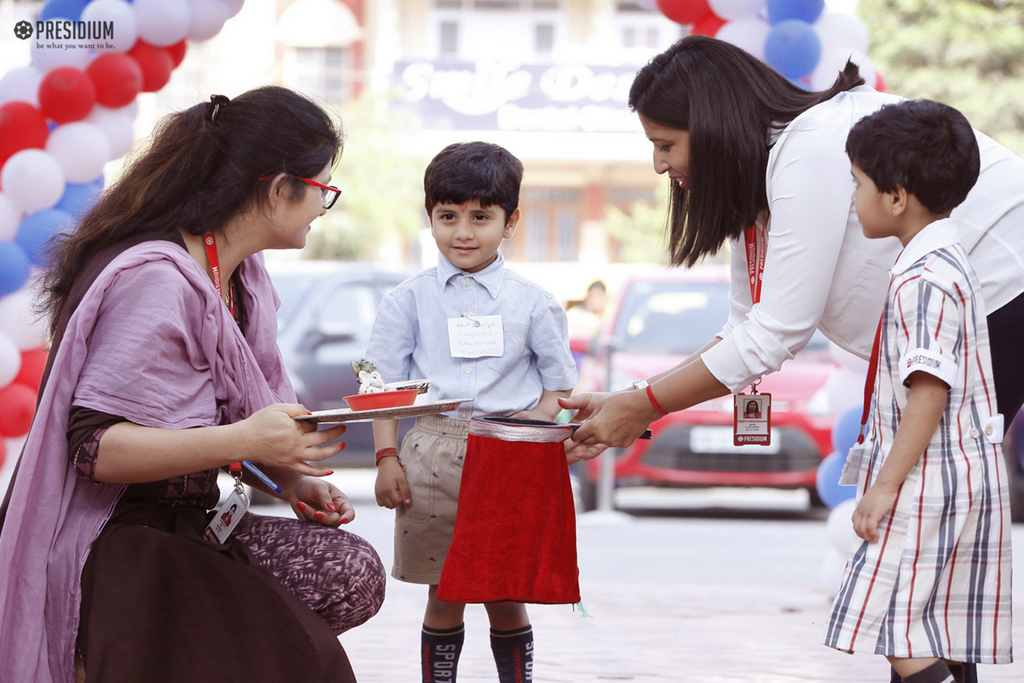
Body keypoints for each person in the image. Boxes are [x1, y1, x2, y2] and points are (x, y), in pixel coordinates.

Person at [0, 86, 386, 683]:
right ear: (280, 187)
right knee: (302, 659)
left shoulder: (240, 275)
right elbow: (95, 448)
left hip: (194, 521)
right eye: (323, 191)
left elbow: (250, 415)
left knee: (350, 572)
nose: (321, 208)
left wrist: (292, 479)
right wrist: (244, 442)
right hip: (117, 538)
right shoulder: (158, 279)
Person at [562, 34, 1024, 464]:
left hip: (1004, 287)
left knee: (930, 484)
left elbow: (778, 333)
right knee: (920, 490)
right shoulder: (761, 176)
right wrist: (635, 396)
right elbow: (744, 325)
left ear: (711, 129)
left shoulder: (806, 150)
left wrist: (643, 406)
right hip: (970, 314)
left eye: (666, 145)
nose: (659, 165)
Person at [365, 141, 579, 683]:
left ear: (510, 222)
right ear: (431, 217)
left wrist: (533, 425)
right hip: (431, 451)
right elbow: (383, 389)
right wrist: (386, 456)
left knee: (506, 590)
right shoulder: (406, 300)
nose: (463, 231)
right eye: (448, 216)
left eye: (481, 216)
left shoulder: (534, 302)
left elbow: (561, 389)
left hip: (509, 454)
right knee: (445, 589)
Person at [823, 99, 1013, 683]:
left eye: (858, 185)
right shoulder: (949, 261)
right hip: (958, 474)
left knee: (898, 629)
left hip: (929, 482)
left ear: (897, 196)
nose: (852, 201)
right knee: (941, 628)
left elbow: (928, 392)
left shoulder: (923, 279)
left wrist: (883, 489)